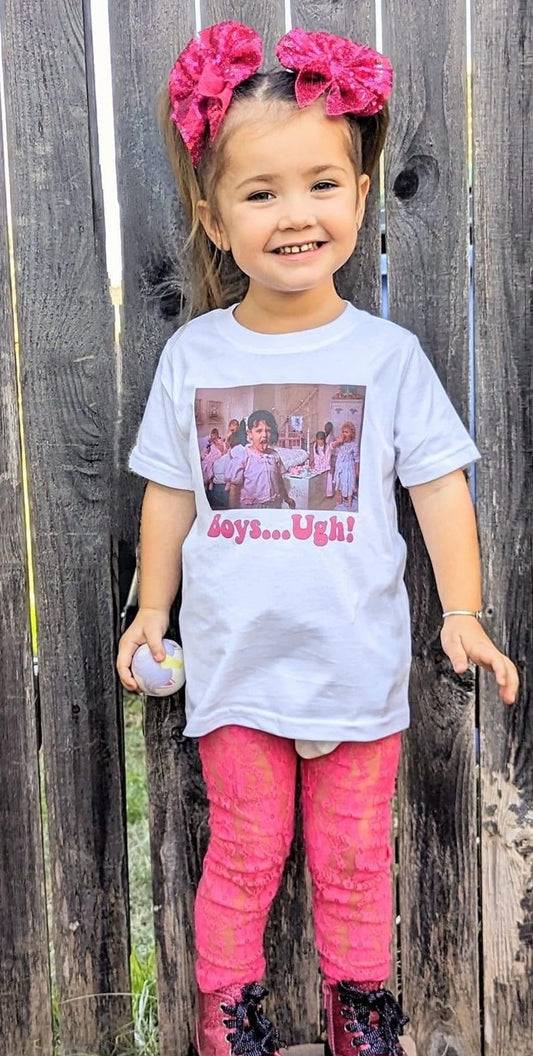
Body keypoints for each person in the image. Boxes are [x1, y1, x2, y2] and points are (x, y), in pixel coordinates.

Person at [116, 21, 518, 1056]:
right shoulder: (194, 357)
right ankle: (226, 1015)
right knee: (245, 854)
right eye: (260, 193)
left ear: (359, 194)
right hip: (237, 667)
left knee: (352, 861)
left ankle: (360, 1014)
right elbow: (169, 492)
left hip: (356, 667)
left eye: (321, 185)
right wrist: (151, 610)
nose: (295, 214)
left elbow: (439, 487)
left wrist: (462, 611)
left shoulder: (386, 357)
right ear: (212, 218)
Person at [227, 408, 296, 509]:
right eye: (259, 431)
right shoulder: (243, 457)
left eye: (268, 431)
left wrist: (287, 498)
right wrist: (233, 512)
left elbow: (279, 481)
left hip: (273, 507)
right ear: (250, 434)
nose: (264, 435)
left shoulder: (274, 456)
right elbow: (235, 488)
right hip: (251, 509)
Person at [332, 421, 360, 508]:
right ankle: (339, 500)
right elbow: (332, 446)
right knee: (339, 483)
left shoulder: (354, 445)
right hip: (340, 466)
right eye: (343, 432)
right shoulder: (340, 442)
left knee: (349, 483)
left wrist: (356, 470)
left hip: (348, 468)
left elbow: (356, 458)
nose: (344, 434)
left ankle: (349, 502)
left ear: (351, 434)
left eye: (346, 432)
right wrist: (339, 441)